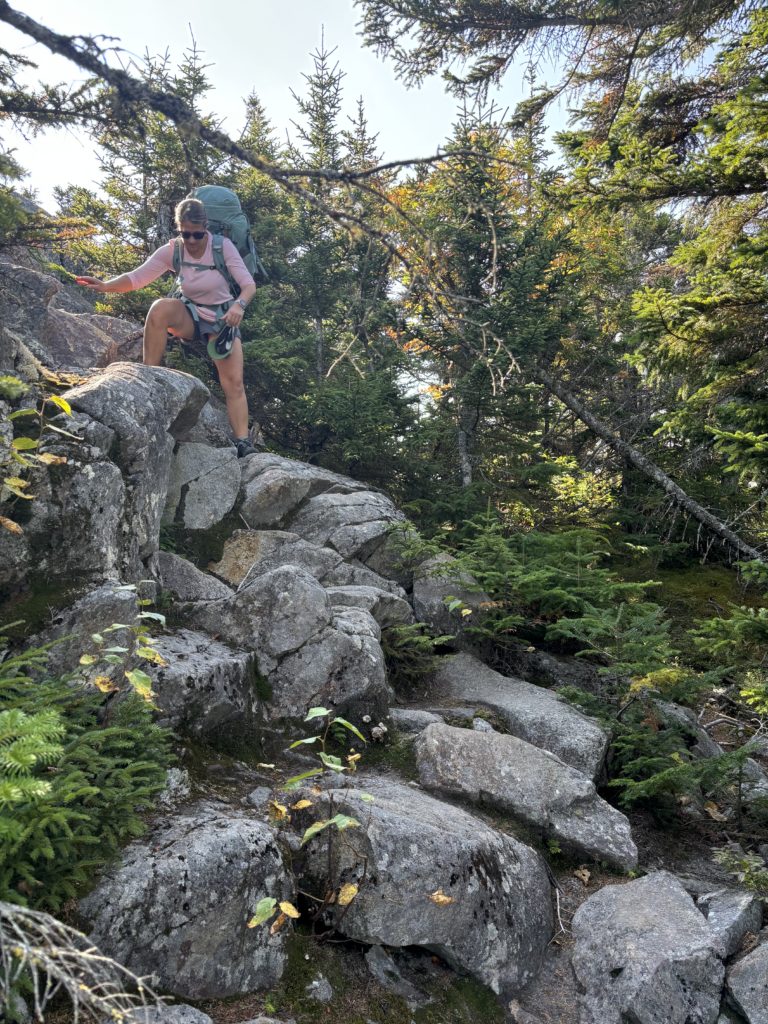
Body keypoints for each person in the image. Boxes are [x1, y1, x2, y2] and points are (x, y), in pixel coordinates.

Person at [77, 197, 260, 458]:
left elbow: (248, 285)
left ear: (205, 227)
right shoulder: (173, 250)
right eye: (187, 234)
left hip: (222, 318)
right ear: (179, 229)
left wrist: (239, 306)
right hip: (189, 312)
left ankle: (243, 442)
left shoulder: (223, 247)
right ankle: (149, 379)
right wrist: (105, 285)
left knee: (234, 383)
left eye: (198, 234)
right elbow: (137, 278)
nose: (193, 240)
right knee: (159, 308)